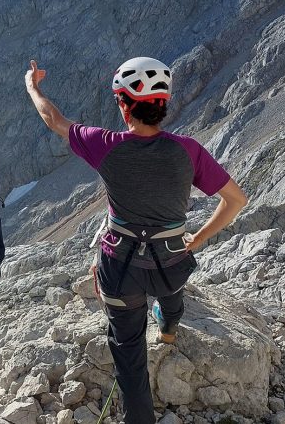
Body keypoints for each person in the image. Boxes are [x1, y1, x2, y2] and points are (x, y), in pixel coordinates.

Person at [25, 57, 248, 424]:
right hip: (172, 261)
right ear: (164, 103)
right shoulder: (188, 150)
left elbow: (54, 120)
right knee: (172, 297)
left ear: (122, 103)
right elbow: (236, 200)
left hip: (120, 266)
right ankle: (169, 328)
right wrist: (199, 237)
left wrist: (33, 86)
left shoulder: (104, 144)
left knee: (130, 359)